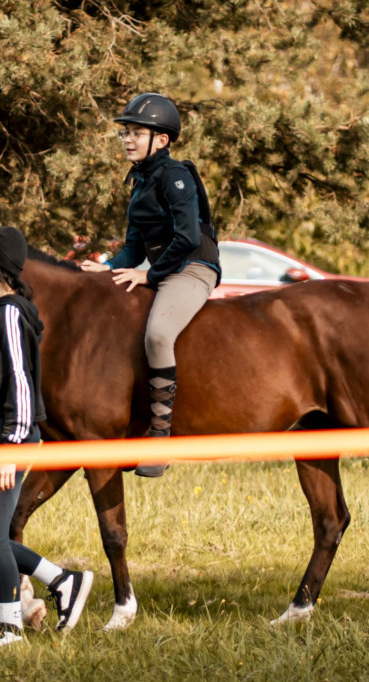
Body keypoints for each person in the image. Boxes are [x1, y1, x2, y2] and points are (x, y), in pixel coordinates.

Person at [0, 226, 93, 647]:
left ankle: (10, 627)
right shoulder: (1, 312)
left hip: (7, 439)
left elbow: (21, 384)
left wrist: (11, 451)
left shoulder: (12, 314)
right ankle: (62, 580)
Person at [80, 93, 221, 478]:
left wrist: (149, 276)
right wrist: (105, 268)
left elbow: (189, 236)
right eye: (125, 132)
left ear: (161, 140)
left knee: (158, 334)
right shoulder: (140, 183)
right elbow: (132, 249)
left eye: (136, 132)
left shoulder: (176, 175)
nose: (127, 139)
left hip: (192, 269)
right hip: (165, 271)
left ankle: (160, 438)